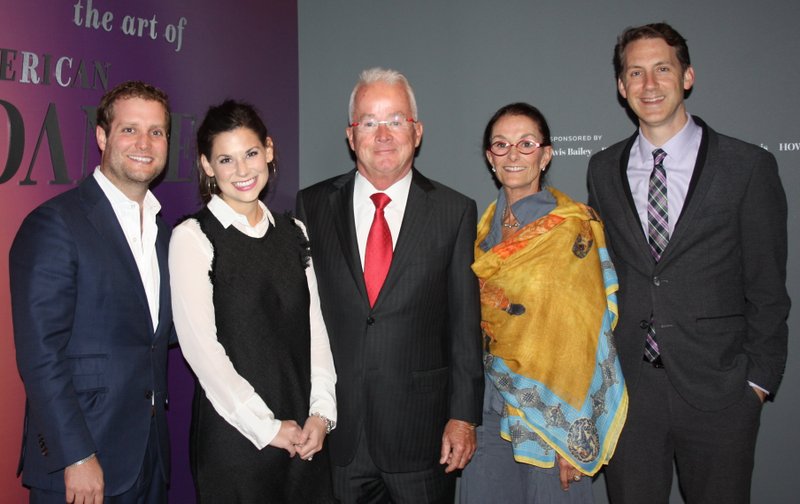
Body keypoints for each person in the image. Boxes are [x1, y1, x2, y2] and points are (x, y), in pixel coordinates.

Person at [587, 22, 790, 504]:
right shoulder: (602, 168)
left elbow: (767, 289)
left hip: (721, 392)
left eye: (662, 69)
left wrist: (756, 385)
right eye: (635, 73)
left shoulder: (746, 167)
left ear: (687, 77)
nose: (649, 85)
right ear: (621, 87)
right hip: (630, 393)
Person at [295, 67, 484, 503]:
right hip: (338, 435)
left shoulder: (454, 212)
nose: (383, 134)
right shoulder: (312, 205)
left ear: (416, 132)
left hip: (423, 437)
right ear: (350, 134)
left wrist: (464, 417)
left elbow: (464, 326)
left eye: (396, 120)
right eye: (369, 121)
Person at [10, 81, 175, 503]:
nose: (145, 143)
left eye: (156, 132)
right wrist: (77, 455)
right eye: (129, 129)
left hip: (149, 458)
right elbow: (39, 354)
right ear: (102, 136)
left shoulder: (164, 233)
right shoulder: (55, 224)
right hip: (83, 464)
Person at [169, 100, 337, 503]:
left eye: (251, 154)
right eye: (226, 159)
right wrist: (265, 426)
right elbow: (202, 352)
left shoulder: (293, 231)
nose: (242, 171)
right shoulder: (194, 237)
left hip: (303, 434)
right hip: (236, 440)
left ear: (269, 151)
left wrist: (322, 413)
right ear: (207, 166)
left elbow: (315, 327)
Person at [459, 103, 627, 503]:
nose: (513, 154)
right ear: (489, 158)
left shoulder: (572, 228)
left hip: (553, 421)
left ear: (546, 154)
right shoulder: (479, 231)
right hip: (486, 411)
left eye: (526, 143)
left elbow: (588, 338)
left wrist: (574, 433)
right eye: (501, 145)